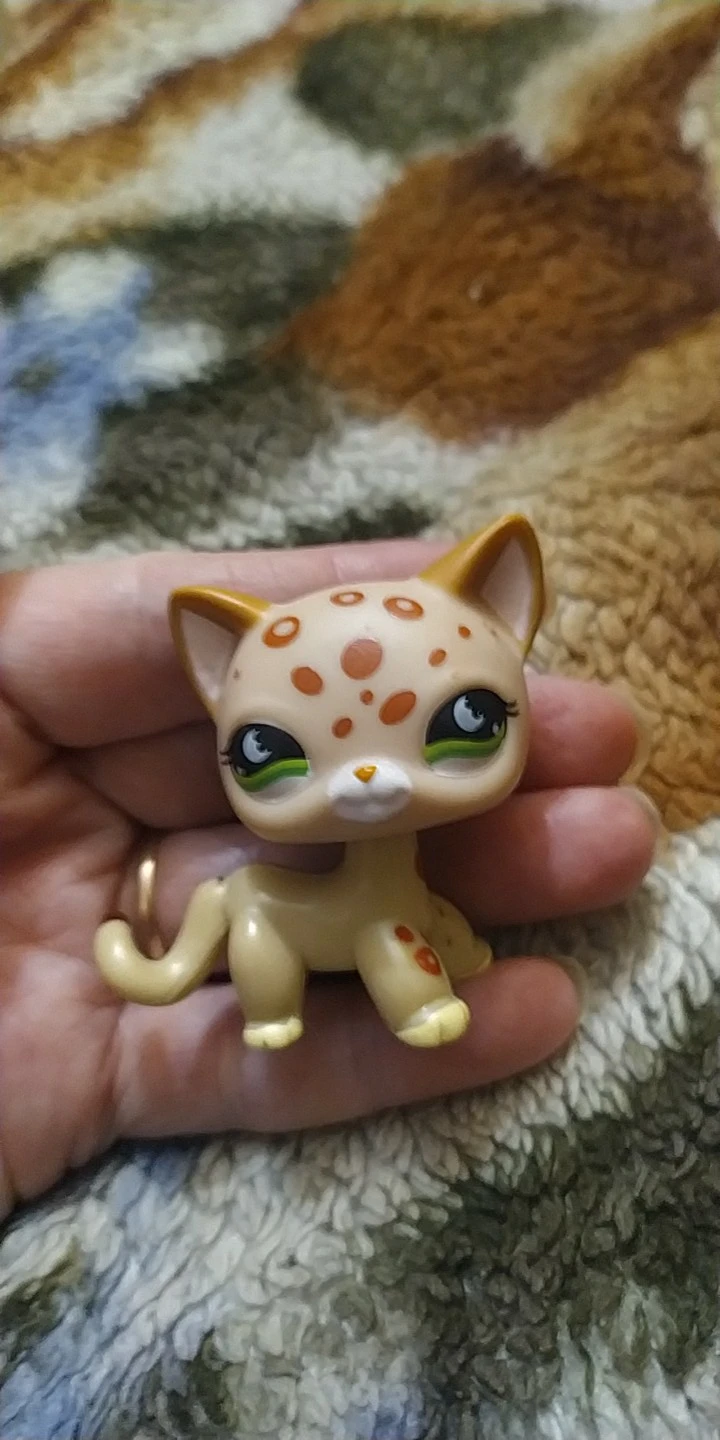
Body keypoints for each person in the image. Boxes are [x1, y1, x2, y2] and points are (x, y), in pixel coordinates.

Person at [0, 538, 660, 1220]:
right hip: (275, 920)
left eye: (467, 721)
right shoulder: (325, 907)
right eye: (268, 751)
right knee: (332, 931)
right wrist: (420, 1003)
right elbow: (388, 934)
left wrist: (453, 943)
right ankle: (273, 1009)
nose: (367, 778)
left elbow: (411, 914)